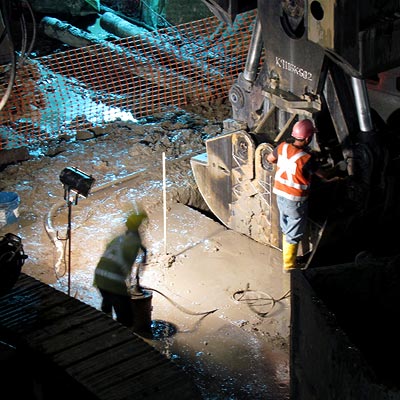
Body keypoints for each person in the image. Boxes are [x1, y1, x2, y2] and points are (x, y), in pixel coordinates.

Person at [266, 118, 342, 273]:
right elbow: (324, 175)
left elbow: (270, 159)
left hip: (280, 195)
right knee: (294, 232)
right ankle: (289, 265)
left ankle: (286, 253)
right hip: (295, 200)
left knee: (286, 225)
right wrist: (338, 172)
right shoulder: (306, 158)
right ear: (308, 138)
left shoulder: (282, 147)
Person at [94, 207, 148, 326]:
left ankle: (106, 324)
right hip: (113, 281)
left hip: (99, 275)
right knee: (126, 318)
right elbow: (133, 263)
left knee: (107, 301)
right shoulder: (135, 242)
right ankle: (122, 336)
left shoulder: (117, 238)